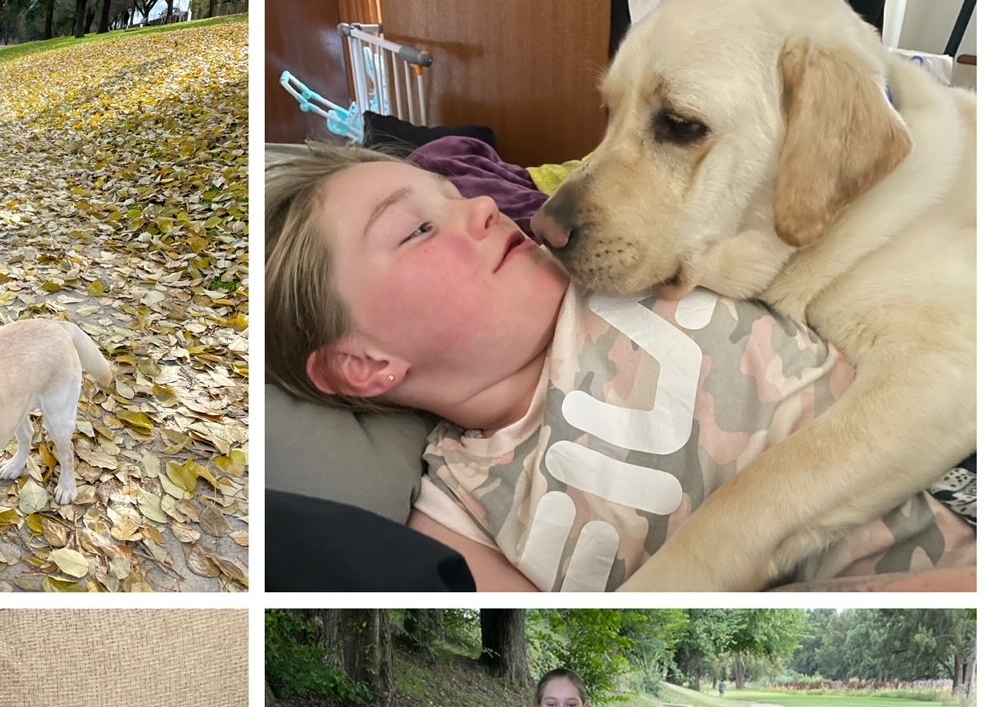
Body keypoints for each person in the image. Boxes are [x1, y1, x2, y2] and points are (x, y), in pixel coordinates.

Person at [264, 143, 974, 590]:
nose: (481, 205)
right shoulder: (458, 521)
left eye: (455, 196)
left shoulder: (619, 260)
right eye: (418, 228)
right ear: (363, 364)